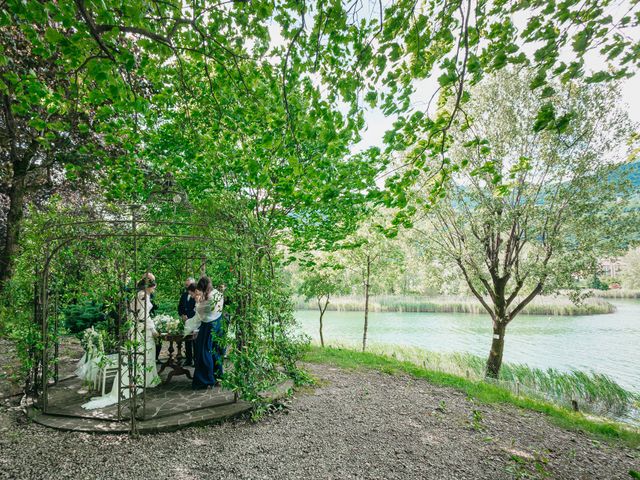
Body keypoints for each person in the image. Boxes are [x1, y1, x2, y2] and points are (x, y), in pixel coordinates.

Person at [82, 276, 161, 409]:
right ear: (149, 286)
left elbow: (134, 315)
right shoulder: (143, 296)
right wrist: (153, 329)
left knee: (138, 356)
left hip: (136, 330)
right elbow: (143, 317)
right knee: (144, 354)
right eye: (153, 287)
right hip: (143, 330)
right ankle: (144, 381)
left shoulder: (136, 295)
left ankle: (142, 380)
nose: (153, 290)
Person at [183, 276, 224, 389]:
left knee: (203, 352)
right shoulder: (218, 293)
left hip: (209, 326)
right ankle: (218, 377)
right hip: (218, 324)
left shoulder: (209, 297)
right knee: (215, 351)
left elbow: (200, 312)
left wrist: (198, 302)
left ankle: (206, 380)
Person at [178, 277, 197, 366]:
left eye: (189, 285)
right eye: (186, 285)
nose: (187, 287)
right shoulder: (184, 295)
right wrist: (182, 315)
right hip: (186, 321)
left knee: (195, 341)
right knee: (187, 341)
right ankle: (188, 359)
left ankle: (196, 360)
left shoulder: (197, 295)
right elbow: (180, 307)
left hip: (195, 321)